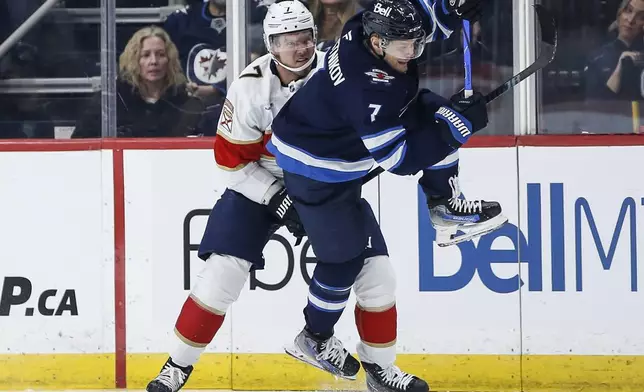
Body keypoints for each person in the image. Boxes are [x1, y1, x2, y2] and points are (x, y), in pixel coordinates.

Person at [267, 0, 502, 391]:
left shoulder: (364, 27)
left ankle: (443, 207)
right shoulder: (368, 90)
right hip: (317, 168)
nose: (412, 53)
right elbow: (401, 160)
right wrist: (457, 133)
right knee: (343, 261)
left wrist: (449, 6)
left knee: (380, 279)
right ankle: (313, 336)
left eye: (415, 44)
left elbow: (419, 17)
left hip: (338, 145)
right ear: (378, 44)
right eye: (404, 47)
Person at [145, 2, 324, 392]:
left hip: (322, 181)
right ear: (271, 45)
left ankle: (378, 365)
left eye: (304, 38)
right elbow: (230, 162)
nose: (299, 49)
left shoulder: (336, 74)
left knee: (371, 271)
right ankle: (177, 366)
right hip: (258, 179)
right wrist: (275, 195)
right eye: (287, 41)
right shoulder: (249, 86)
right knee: (219, 276)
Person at [72, 26, 204, 138]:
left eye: (161, 54)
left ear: (170, 60)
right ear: (134, 60)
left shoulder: (185, 101)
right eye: (145, 55)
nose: (154, 61)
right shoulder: (109, 101)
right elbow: (80, 145)